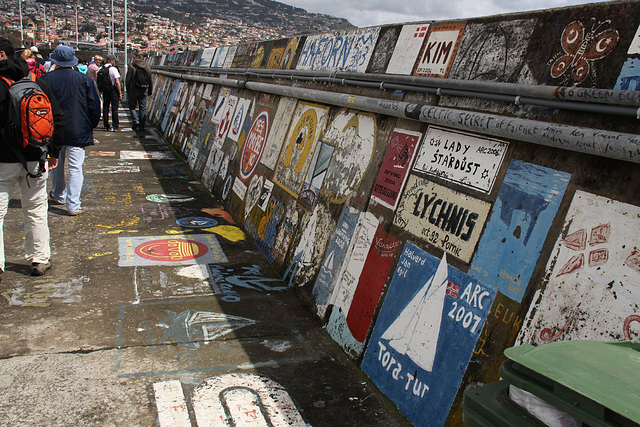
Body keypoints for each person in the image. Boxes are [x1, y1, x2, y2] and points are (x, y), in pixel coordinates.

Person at [0, 38, 65, 277]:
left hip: (3, 160)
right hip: (35, 158)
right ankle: (39, 259)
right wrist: (54, 151)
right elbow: (58, 119)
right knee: (36, 208)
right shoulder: (37, 84)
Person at [43, 45, 100, 216]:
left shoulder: (46, 80)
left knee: (56, 164)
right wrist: (91, 125)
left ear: (55, 61)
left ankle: (58, 194)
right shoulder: (84, 80)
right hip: (78, 128)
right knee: (75, 167)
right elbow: (94, 106)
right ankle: (73, 205)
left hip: (53, 130)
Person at [125, 52, 153, 131]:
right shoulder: (147, 67)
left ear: (137, 57)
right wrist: (150, 90)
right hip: (144, 89)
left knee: (132, 106)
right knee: (142, 108)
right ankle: (142, 126)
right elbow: (150, 80)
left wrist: (128, 89)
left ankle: (135, 120)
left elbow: (128, 79)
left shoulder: (132, 66)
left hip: (133, 90)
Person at [100, 54, 121, 131]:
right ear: (111, 61)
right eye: (114, 60)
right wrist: (120, 93)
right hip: (113, 90)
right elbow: (117, 82)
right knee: (114, 108)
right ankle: (115, 125)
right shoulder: (113, 69)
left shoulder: (102, 68)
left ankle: (106, 125)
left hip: (105, 91)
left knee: (105, 108)